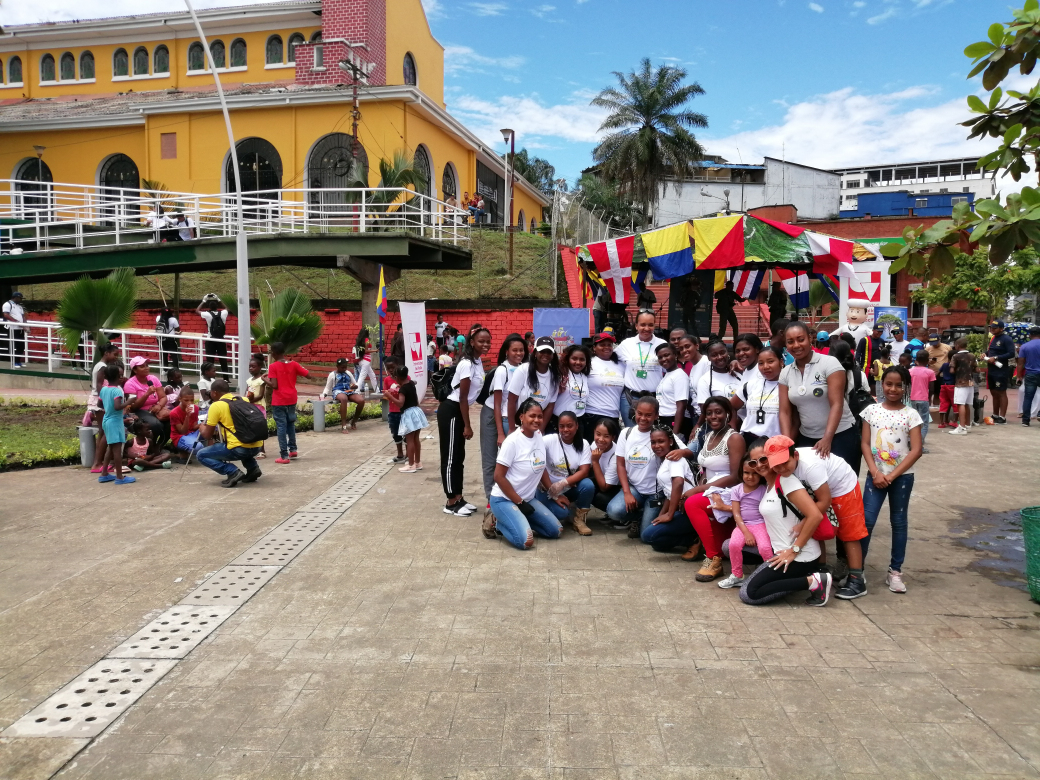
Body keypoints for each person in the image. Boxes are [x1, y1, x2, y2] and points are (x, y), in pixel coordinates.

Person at [769, 439, 869, 599]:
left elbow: (825, 500)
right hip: (816, 488)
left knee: (849, 532)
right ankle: (821, 570)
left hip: (842, 486)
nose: (780, 468)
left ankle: (857, 580)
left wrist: (804, 523)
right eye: (776, 465)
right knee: (816, 527)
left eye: (784, 463)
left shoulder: (810, 465)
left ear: (795, 455)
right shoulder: (786, 470)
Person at [739, 436, 831, 607]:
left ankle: (814, 581)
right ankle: (802, 578)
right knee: (733, 549)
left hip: (799, 556)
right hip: (782, 553)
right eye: (753, 462)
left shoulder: (787, 482)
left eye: (763, 459)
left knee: (749, 594)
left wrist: (794, 550)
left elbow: (815, 515)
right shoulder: (768, 485)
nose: (759, 465)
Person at [859, 364, 923, 594]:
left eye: (899, 385)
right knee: (866, 521)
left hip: (902, 478)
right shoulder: (871, 411)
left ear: (905, 387)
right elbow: (865, 443)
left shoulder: (911, 415)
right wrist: (876, 472)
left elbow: (916, 450)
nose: (893, 389)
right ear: (881, 384)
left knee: (899, 523)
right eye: (889, 384)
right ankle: (858, 570)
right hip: (875, 477)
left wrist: (891, 475)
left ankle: (895, 572)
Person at [607, 396, 692, 535]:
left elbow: (690, 453)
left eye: (648, 415)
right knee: (614, 511)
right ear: (635, 412)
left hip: (656, 494)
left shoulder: (661, 433)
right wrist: (627, 493)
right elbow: (620, 465)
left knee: (647, 533)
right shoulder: (626, 433)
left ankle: (642, 520)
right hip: (635, 489)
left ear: (656, 415)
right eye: (640, 413)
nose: (643, 418)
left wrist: (681, 452)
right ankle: (638, 516)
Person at [778, 321, 859, 466]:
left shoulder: (829, 363)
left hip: (840, 435)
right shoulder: (785, 372)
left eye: (800, 339)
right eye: (790, 342)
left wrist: (827, 438)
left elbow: (837, 404)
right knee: (809, 486)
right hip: (806, 437)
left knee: (842, 485)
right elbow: (785, 411)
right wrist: (786, 441)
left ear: (810, 338)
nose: (796, 345)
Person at [683, 396, 747, 581]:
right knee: (691, 500)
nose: (713, 416)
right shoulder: (710, 435)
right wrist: (699, 486)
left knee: (692, 503)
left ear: (728, 413)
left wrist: (698, 490)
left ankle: (713, 559)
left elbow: (736, 476)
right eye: (709, 413)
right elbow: (706, 468)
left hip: (728, 491)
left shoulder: (734, 438)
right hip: (712, 488)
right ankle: (713, 548)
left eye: (718, 412)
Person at [489, 399, 562, 550]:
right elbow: (498, 477)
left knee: (555, 531)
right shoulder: (512, 442)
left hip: (527, 500)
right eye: (532, 416)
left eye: (540, 416)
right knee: (526, 541)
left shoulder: (538, 436)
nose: (537, 420)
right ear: (522, 417)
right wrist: (519, 503)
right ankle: (496, 522)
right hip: (504, 500)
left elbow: (540, 468)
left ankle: (518, 521)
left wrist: (554, 493)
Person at [440, 326, 493, 517]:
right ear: (471, 342)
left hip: (459, 411)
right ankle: (450, 502)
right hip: (452, 411)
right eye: (481, 341)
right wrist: (468, 425)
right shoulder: (467, 364)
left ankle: (459, 497)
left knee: (459, 456)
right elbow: (462, 397)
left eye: (488, 341)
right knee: (450, 457)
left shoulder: (477, 362)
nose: (485, 344)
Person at [640, 423, 698, 553]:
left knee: (647, 535)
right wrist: (662, 514)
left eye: (661, 441)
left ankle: (695, 539)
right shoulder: (665, 460)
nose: (657, 446)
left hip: (688, 510)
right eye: (653, 442)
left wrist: (669, 515)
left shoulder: (674, 458)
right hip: (679, 508)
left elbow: (678, 483)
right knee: (658, 543)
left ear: (670, 441)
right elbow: (669, 493)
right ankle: (690, 539)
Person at [714, 458, 770, 589]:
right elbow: (736, 513)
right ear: (741, 472)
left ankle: (769, 575)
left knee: (765, 548)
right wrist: (746, 533)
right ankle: (737, 575)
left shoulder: (763, 489)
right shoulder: (737, 490)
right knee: (733, 545)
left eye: (754, 473)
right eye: (746, 473)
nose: (750, 477)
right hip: (742, 524)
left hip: (760, 524)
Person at [197, 379, 264, 487]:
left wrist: (201, 427)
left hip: (239, 449)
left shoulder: (216, 406)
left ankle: (232, 472)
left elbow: (207, 435)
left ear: (214, 393)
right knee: (242, 439)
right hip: (257, 446)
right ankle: (253, 469)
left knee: (201, 455)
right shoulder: (243, 399)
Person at [537, 411, 595, 535]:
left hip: (567, 487)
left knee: (588, 485)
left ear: (577, 426)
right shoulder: (549, 440)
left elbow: (584, 471)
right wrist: (554, 493)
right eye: (562, 426)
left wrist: (563, 483)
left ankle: (579, 520)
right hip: (547, 489)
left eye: (569, 426)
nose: (565, 430)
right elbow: (539, 464)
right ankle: (566, 510)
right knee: (562, 514)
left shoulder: (583, 444)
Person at [616, 309, 666, 427]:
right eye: (643, 324)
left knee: (652, 435)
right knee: (631, 433)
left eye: (650, 325)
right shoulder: (626, 344)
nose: (646, 328)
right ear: (636, 326)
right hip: (630, 398)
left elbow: (668, 370)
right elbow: (613, 361)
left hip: (654, 399)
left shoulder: (662, 344)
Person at [265, 341, 308, 463]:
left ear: (273, 353)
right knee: (290, 424)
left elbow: (274, 385)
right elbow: (308, 375)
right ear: (284, 352)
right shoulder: (294, 364)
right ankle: (293, 449)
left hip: (279, 400)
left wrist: (264, 379)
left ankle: (284, 456)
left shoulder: (273, 366)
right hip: (291, 398)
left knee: (281, 427)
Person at [730, 346, 783, 445]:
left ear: (781, 362)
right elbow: (730, 407)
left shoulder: (787, 386)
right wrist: (733, 429)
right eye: (761, 363)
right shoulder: (751, 385)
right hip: (749, 440)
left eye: (770, 361)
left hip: (775, 442)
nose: (765, 367)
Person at [506, 336, 560, 434]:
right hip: (520, 424)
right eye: (542, 351)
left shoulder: (555, 376)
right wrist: (511, 427)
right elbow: (511, 400)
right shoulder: (523, 370)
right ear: (535, 353)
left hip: (538, 424)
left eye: (549, 352)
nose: (545, 355)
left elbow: (550, 406)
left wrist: (540, 429)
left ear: (553, 355)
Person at [97, 365, 135, 485]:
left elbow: (99, 404)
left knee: (111, 447)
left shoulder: (103, 389)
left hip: (106, 420)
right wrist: (129, 402)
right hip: (115, 422)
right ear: (119, 376)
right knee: (117, 451)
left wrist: (108, 408)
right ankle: (119, 477)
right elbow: (118, 406)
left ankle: (104, 474)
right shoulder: (117, 390)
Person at [584, 333, 625, 441]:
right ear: (594, 347)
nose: (606, 347)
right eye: (602, 345)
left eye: (609, 345)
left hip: (613, 416)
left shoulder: (620, 365)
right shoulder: (588, 363)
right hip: (592, 415)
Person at [88, 342, 122, 473]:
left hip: (99, 398)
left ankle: (99, 462)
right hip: (99, 399)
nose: (116, 357)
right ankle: (97, 463)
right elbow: (99, 385)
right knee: (105, 432)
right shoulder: (102, 367)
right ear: (106, 353)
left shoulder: (100, 365)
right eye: (114, 354)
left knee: (103, 431)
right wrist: (108, 397)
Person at [390, 364, 429, 473]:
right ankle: (418, 462)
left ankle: (411, 465)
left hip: (409, 414)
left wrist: (390, 396)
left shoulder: (403, 389)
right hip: (416, 411)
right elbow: (415, 400)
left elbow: (400, 404)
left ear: (397, 377)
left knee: (410, 440)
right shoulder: (411, 384)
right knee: (416, 439)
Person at [124, 356, 169, 447]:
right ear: (135, 370)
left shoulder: (153, 379)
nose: (146, 368)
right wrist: (146, 394)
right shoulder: (130, 384)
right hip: (139, 411)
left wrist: (159, 406)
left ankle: (158, 447)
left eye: (147, 365)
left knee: (171, 423)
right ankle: (149, 447)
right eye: (142, 366)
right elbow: (133, 407)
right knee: (155, 425)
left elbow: (163, 397)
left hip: (156, 408)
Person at [693, 340, 743, 415]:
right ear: (709, 358)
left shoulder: (738, 374)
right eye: (714, 355)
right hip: (725, 425)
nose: (719, 357)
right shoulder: (705, 380)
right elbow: (705, 411)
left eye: (722, 352)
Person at [555, 344, 591, 435]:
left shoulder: (585, 377)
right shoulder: (560, 375)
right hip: (558, 422)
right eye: (574, 359)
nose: (578, 362)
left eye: (582, 359)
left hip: (578, 422)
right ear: (567, 359)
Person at [321, 357, 365, 433]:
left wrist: (355, 386)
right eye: (342, 367)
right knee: (344, 399)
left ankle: (354, 421)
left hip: (348, 391)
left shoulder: (348, 373)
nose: (344, 369)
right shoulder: (332, 374)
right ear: (337, 366)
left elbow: (355, 384)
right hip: (338, 391)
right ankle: (344, 425)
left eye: (345, 367)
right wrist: (324, 394)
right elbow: (327, 387)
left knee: (361, 400)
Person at [985, 319, 1016, 424]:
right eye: (991, 327)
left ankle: (1002, 417)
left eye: (995, 328)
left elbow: (1011, 353)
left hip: (1001, 369)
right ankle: (995, 414)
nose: (992, 329)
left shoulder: (1006, 339)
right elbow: (991, 351)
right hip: (991, 369)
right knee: (993, 392)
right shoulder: (993, 338)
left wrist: (997, 357)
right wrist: (985, 355)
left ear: (1001, 329)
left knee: (1001, 392)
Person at [655, 343, 688, 437]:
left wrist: (675, 434)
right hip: (663, 420)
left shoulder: (679, 376)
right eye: (660, 357)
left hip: (673, 421)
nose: (663, 359)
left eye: (666, 355)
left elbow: (681, 406)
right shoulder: (668, 375)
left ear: (675, 355)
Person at [589, 417, 621, 514]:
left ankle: (625, 517)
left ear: (613, 437)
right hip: (602, 480)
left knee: (599, 498)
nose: (601, 439)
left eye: (606, 436)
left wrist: (595, 462)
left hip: (616, 488)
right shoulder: (594, 444)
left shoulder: (616, 455)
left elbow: (604, 487)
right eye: (598, 434)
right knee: (585, 485)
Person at [378, 356, 406, 464]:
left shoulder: (404, 378)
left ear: (397, 366)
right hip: (393, 411)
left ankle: (409, 455)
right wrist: (388, 393)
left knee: (407, 434)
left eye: (392, 367)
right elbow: (385, 394)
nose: (390, 370)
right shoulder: (387, 380)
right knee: (396, 433)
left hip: (403, 411)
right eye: (388, 368)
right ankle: (400, 454)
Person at [947, 338, 978, 436]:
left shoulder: (955, 356)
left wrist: (957, 370)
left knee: (960, 404)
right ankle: (967, 425)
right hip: (970, 382)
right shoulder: (972, 356)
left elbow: (952, 370)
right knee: (967, 404)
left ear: (957, 345)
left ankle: (962, 427)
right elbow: (977, 369)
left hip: (960, 383)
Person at [196, 295, 230, 378]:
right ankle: (226, 378)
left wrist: (204, 300)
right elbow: (227, 309)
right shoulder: (223, 313)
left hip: (210, 339)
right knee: (223, 359)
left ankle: (211, 377)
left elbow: (197, 310)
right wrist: (219, 299)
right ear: (217, 306)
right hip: (221, 339)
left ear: (209, 307)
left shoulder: (207, 315)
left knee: (210, 359)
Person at [908, 350, 933, 451]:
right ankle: (919, 446)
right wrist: (929, 399)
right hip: (923, 399)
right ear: (927, 361)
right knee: (924, 423)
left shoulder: (910, 371)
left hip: (912, 399)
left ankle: (911, 442)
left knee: (912, 422)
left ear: (916, 360)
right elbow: (931, 388)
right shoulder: (930, 372)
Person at [245, 353, 267, 458]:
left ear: (259, 367)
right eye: (250, 366)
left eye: (253, 367)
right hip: (250, 406)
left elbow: (261, 395)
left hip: (259, 406)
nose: (251, 368)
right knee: (250, 427)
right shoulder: (249, 380)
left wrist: (251, 401)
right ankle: (252, 448)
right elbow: (247, 392)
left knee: (259, 427)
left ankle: (262, 450)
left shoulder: (261, 380)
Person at [1018, 325, 1040, 426]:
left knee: (1028, 397)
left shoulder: (1025, 346)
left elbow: (1020, 363)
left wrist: (1019, 376)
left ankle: (1025, 420)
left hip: (1030, 374)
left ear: (1030, 335)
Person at [925, 333, 953, 405]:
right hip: (931, 375)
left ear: (939, 340)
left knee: (938, 394)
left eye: (936, 343)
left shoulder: (947, 348)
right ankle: (929, 410)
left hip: (942, 375)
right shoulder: (928, 349)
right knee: (929, 393)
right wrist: (929, 362)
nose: (934, 345)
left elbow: (951, 359)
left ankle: (937, 410)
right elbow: (924, 361)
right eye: (932, 343)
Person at [1, 290, 26, 367]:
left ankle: (18, 361)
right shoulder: (7, 304)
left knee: (21, 346)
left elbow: (23, 316)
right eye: (20, 298)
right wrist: (15, 321)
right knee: (13, 345)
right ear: (15, 298)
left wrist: (25, 325)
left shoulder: (19, 306)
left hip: (20, 329)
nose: (21, 299)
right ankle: (14, 362)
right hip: (12, 328)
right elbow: (6, 315)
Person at [353, 328, 378, 395]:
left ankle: (377, 390)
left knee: (372, 375)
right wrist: (375, 350)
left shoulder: (359, 340)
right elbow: (366, 351)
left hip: (362, 360)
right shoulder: (366, 340)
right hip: (366, 360)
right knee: (362, 376)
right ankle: (357, 391)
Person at [936, 354, 957, 429]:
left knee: (943, 403)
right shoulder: (955, 366)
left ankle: (942, 422)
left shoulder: (944, 365)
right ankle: (955, 421)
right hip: (952, 385)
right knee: (955, 403)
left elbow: (937, 374)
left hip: (944, 385)